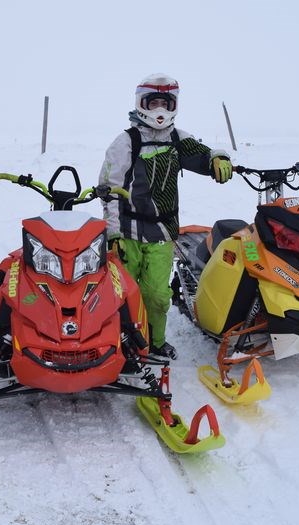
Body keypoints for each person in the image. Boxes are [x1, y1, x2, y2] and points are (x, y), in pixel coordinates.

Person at [98, 74, 232, 359]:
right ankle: (122, 343)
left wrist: (218, 158)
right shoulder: (126, 142)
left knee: (158, 296)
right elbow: (108, 190)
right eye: (153, 102)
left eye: (165, 102)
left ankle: (155, 342)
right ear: (141, 103)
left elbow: (203, 153)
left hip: (163, 232)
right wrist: (112, 234)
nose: (159, 109)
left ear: (174, 105)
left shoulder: (176, 138)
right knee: (123, 294)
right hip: (128, 231)